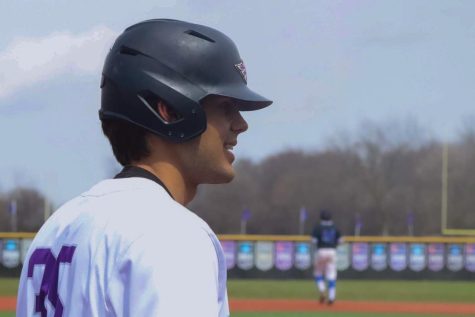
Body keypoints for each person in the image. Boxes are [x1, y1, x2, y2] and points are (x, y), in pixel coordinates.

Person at [17, 19, 272, 317]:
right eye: (226, 107)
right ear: (169, 109)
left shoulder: (57, 228)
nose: (240, 125)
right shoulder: (170, 234)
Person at [311, 209, 342, 305]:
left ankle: (322, 290)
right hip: (332, 251)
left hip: (321, 251)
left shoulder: (318, 227)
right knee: (331, 274)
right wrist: (334, 245)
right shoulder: (335, 227)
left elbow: (313, 241)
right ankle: (332, 297)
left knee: (318, 273)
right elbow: (341, 240)